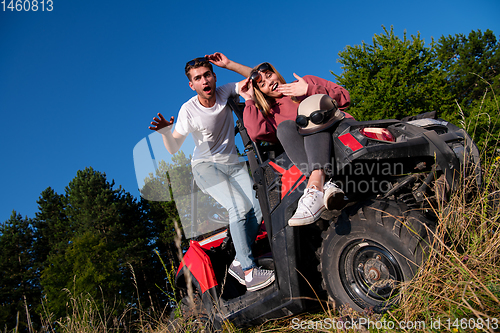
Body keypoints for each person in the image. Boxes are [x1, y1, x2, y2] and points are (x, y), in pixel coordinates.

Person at [148, 53, 275, 292]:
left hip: (233, 164)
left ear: (214, 77)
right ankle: (248, 272)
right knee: (237, 207)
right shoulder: (188, 110)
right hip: (206, 167)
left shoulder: (226, 91)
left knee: (259, 204)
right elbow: (174, 147)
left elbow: (257, 77)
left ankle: (238, 261)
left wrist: (229, 64)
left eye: (207, 75)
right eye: (198, 78)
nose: (204, 81)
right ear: (191, 84)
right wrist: (166, 132)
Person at [237, 62, 353, 226]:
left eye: (269, 75)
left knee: (309, 112)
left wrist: (309, 91)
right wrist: (248, 99)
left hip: (338, 133)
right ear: (261, 91)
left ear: (276, 73)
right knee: (284, 128)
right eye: (262, 84)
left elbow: (344, 97)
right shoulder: (272, 113)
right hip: (314, 155)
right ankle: (324, 186)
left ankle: (315, 186)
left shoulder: (305, 82)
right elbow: (256, 133)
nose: (269, 82)